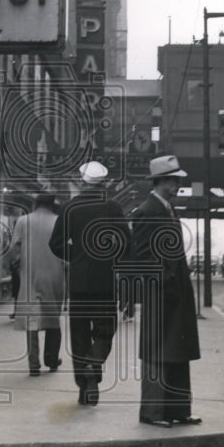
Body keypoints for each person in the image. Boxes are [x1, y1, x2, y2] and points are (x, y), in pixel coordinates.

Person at [49, 161, 130, 406]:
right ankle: (94, 364)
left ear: (82, 181)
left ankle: (84, 389)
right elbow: (126, 242)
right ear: (103, 182)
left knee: (80, 335)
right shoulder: (113, 207)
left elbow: (55, 243)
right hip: (104, 281)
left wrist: (76, 256)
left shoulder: (70, 207)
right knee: (106, 330)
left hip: (79, 283)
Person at [131, 155, 201, 428]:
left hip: (175, 294)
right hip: (160, 296)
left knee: (177, 352)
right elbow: (140, 257)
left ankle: (178, 411)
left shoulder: (167, 209)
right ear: (161, 181)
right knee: (157, 353)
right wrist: (163, 282)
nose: (177, 184)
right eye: (174, 179)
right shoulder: (147, 212)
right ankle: (153, 413)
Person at [8, 192, 65, 376]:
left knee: (32, 317)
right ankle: (52, 359)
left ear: (35, 204)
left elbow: (14, 248)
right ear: (52, 205)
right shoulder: (59, 221)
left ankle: (34, 363)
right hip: (55, 275)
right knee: (53, 318)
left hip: (30, 274)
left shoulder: (23, 221)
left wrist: (17, 266)